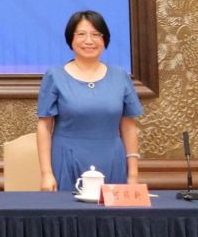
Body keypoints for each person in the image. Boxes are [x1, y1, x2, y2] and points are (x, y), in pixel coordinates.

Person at [35, 10, 144, 192]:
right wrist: (46, 173)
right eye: (81, 34)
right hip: (66, 160)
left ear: (104, 39)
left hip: (112, 160)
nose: (89, 41)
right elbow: (44, 126)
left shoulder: (120, 76)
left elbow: (128, 126)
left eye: (96, 34)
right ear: (71, 39)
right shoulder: (55, 76)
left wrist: (133, 175)